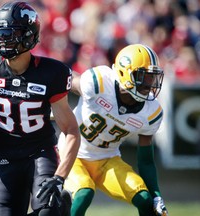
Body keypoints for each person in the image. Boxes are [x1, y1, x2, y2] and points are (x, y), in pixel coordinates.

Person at [0, 2, 80, 216]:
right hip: (5, 155)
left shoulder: (51, 73)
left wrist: (60, 177)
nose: (2, 40)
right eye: (0, 33)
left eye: (9, 34)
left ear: (29, 36)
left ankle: (58, 208)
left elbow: (71, 130)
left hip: (40, 152)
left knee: (47, 211)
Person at [58, 44, 168, 216]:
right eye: (143, 77)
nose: (149, 84)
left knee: (144, 199)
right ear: (125, 73)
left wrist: (156, 196)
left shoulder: (151, 112)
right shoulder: (99, 83)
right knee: (84, 193)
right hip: (73, 153)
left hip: (107, 159)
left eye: (151, 78)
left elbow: (146, 160)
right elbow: (66, 80)